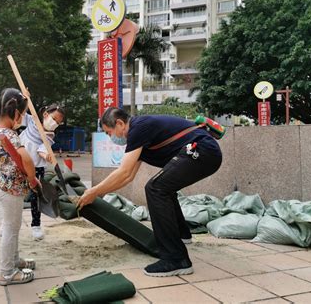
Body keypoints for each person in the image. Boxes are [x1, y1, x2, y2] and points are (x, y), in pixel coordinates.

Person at [77, 107, 223, 277]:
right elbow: (128, 176)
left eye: (109, 133)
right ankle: (182, 235)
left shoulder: (139, 127)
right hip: (204, 151)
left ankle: (176, 259)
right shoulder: (139, 135)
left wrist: (93, 192)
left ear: (120, 123)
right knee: (163, 188)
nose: (111, 138)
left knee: (156, 189)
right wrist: (96, 192)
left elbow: (123, 172)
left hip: (202, 150)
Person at [0, 88, 40, 286]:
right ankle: (7, 272)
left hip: (7, 187)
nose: (23, 118)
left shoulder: (0, 130)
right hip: (11, 190)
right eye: (22, 114)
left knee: (12, 227)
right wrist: (32, 178)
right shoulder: (9, 134)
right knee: (10, 229)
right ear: (15, 113)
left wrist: (26, 97)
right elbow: (27, 159)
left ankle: (14, 261)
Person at [19, 104, 65, 240]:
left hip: (36, 167)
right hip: (19, 162)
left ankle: (36, 226)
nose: (55, 123)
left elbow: (42, 150)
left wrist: (47, 156)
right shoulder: (32, 120)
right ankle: (7, 223)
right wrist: (25, 100)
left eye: (58, 122)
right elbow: (20, 115)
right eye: (54, 119)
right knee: (14, 194)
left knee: (36, 197)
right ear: (45, 115)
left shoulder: (50, 135)